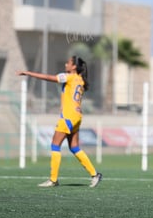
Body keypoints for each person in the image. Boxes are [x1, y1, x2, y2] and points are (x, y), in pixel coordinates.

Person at [17, 56, 102, 188]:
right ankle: (95, 174)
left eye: (68, 62)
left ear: (73, 66)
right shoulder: (80, 80)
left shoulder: (69, 77)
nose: (65, 64)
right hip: (77, 115)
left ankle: (53, 180)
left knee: (55, 145)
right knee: (74, 147)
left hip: (68, 116)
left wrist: (29, 73)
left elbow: (48, 77)